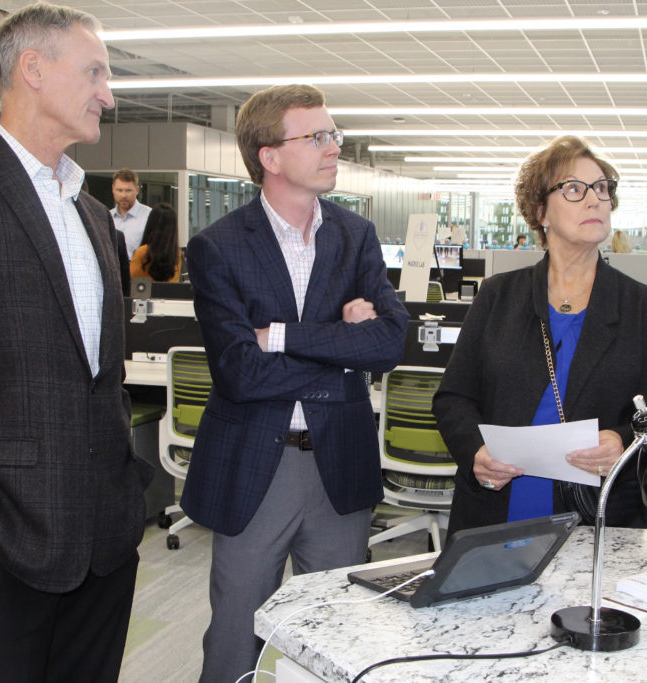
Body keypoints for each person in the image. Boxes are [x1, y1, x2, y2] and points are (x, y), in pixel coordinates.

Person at [0, 3, 153, 681]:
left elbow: (102, 377)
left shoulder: (94, 215)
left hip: (104, 542)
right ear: (33, 70)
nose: (109, 92)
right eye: (95, 71)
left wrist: (128, 498)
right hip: (0, 543)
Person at [180, 84, 409, 680]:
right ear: (270, 156)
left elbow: (388, 343)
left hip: (340, 461)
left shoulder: (355, 236)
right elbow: (240, 371)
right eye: (317, 137)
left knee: (337, 636)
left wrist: (282, 335)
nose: (335, 147)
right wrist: (340, 343)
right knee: (236, 636)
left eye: (333, 134)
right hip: (259, 463)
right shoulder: (218, 247)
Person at [432, 135, 647, 535]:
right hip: (500, 500)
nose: (594, 199)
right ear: (540, 211)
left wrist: (620, 441)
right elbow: (453, 398)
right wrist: (474, 452)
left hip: (599, 510)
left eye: (602, 188)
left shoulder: (641, 306)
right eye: (573, 188)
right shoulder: (499, 295)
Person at [130, 202, 182, 282]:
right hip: (169, 294)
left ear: (150, 224)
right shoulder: (176, 254)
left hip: (143, 294)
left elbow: (132, 281)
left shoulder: (142, 252)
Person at [110, 167, 151, 257]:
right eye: (119, 190)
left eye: (128, 190)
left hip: (138, 269)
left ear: (137, 190)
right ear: (113, 189)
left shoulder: (149, 216)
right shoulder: (106, 217)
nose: (123, 195)